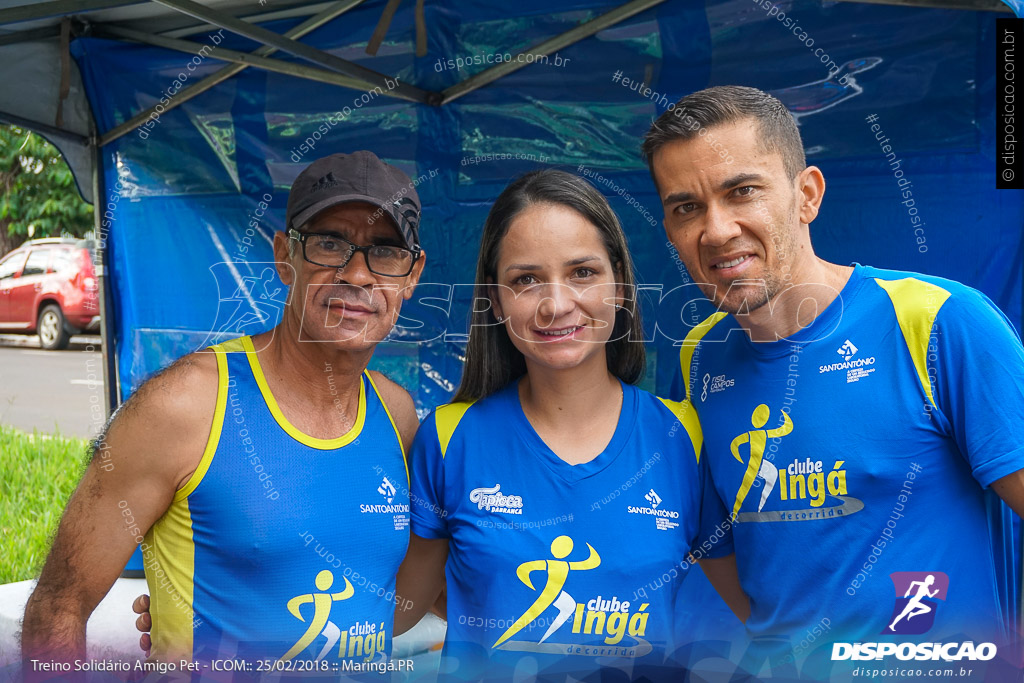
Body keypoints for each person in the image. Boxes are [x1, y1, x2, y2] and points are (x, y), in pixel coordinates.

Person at [643, 85, 1024, 678]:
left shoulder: (939, 322)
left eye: (742, 191)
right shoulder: (698, 356)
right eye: (685, 206)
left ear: (806, 196)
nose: (716, 230)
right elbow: (718, 544)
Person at [21, 151, 426, 669]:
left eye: (385, 252)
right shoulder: (185, 405)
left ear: (411, 276)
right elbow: (58, 605)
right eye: (329, 244)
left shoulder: (398, 415)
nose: (357, 274)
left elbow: (383, 600)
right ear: (285, 256)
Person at [393, 169, 747, 681]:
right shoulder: (450, 439)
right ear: (495, 301)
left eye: (582, 272)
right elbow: (397, 609)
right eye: (525, 279)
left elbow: (760, 608)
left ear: (621, 284)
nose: (556, 305)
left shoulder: (683, 435)